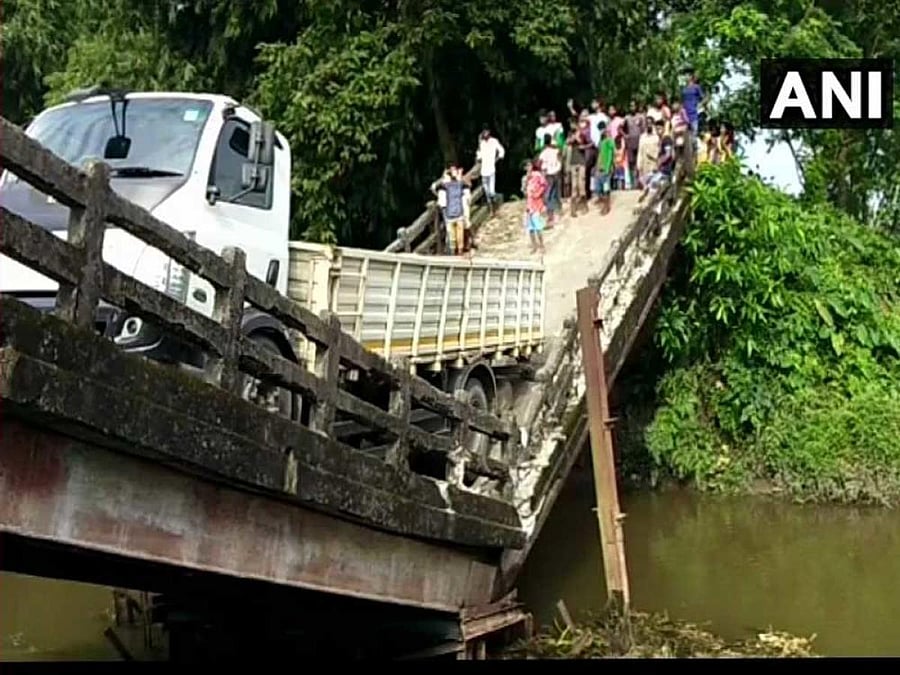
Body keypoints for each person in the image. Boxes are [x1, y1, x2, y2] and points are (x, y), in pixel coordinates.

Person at [439, 164, 470, 255]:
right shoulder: (460, 184)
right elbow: (466, 186)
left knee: (452, 234)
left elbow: (436, 187)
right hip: (459, 212)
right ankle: (459, 250)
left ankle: (454, 251)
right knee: (459, 233)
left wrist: (445, 176)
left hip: (450, 212)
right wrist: (459, 176)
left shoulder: (446, 186)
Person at [476, 128, 505, 215]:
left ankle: (495, 207)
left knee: (492, 191)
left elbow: (501, 151)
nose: (485, 134)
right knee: (487, 192)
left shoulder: (494, 141)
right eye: (483, 132)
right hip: (483, 170)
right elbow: (479, 156)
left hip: (491, 169)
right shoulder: (481, 143)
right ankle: (491, 210)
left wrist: (498, 158)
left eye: (486, 132)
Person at [524, 160, 547, 255]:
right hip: (529, 204)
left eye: (529, 165)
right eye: (526, 166)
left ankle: (542, 246)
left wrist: (538, 193)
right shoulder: (526, 178)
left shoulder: (537, 175)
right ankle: (534, 246)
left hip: (537, 204)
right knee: (530, 228)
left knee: (538, 227)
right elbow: (525, 191)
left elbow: (544, 185)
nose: (528, 168)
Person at [539, 133, 562, 223]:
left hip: (548, 174)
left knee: (548, 195)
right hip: (556, 172)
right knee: (556, 193)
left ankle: (550, 216)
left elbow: (540, 163)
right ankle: (559, 211)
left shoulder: (544, 153)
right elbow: (560, 157)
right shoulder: (555, 150)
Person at [566, 121, 588, 217]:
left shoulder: (582, 133)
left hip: (581, 161)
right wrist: (572, 137)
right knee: (574, 186)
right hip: (573, 162)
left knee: (581, 185)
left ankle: (584, 206)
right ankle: (573, 209)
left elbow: (582, 143)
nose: (572, 125)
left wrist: (577, 137)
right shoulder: (570, 134)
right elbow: (567, 142)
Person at [624, 102, 645, 189]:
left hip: (639, 142)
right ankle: (633, 183)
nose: (632, 107)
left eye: (633, 105)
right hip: (630, 143)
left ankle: (639, 182)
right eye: (630, 106)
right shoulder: (627, 118)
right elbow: (621, 128)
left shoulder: (640, 117)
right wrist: (625, 135)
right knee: (631, 163)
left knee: (639, 162)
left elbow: (643, 129)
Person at [681, 70, 707, 137]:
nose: (685, 77)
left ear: (691, 76)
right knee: (686, 136)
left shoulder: (696, 87)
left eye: (687, 75)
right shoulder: (684, 89)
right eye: (685, 75)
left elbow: (705, 98)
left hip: (694, 115)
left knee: (694, 136)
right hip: (685, 116)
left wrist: (700, 105)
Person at [637, 121, 659, 187]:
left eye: (650, 123)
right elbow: (640, 151)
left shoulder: (656, 137)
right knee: (645, 184)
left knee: (653, 184)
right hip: (644, 163)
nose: (649, 125)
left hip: (654, 163)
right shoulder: (642, 137)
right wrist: (638, 164)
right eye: (647, 124)